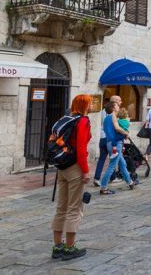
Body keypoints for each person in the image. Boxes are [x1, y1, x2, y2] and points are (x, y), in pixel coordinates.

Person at [51, 94, 92, 261]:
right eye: (89, 103)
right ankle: (69, 247)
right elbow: (81, 148)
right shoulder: (82, 121)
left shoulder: (66, 118)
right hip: (75, 167)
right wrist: (86, 170)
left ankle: (57, 246)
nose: (90, 106)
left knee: (61, 207)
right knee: (74, 208)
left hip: (62, 167)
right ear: (84, 105)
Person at [99, 101, 134, 194]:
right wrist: (126, 133)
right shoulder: (113, 116)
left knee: (122, 164)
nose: (119, 106)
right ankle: (103, 187)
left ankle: (130, 182)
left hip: (109, 143)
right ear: (113, 108)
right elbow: (117, 128)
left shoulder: (106, 118)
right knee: (112, 166)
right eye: (117, 105)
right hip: (116, 144)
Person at [93, 95, 121, 187]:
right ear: (114, 103)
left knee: (101, 159)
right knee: (112, 159)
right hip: (109, 138)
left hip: (102, 138)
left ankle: (96, 178)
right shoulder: (113, 114)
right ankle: (112, 178)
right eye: (118, 102)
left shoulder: (102, 112)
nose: (119, 104)